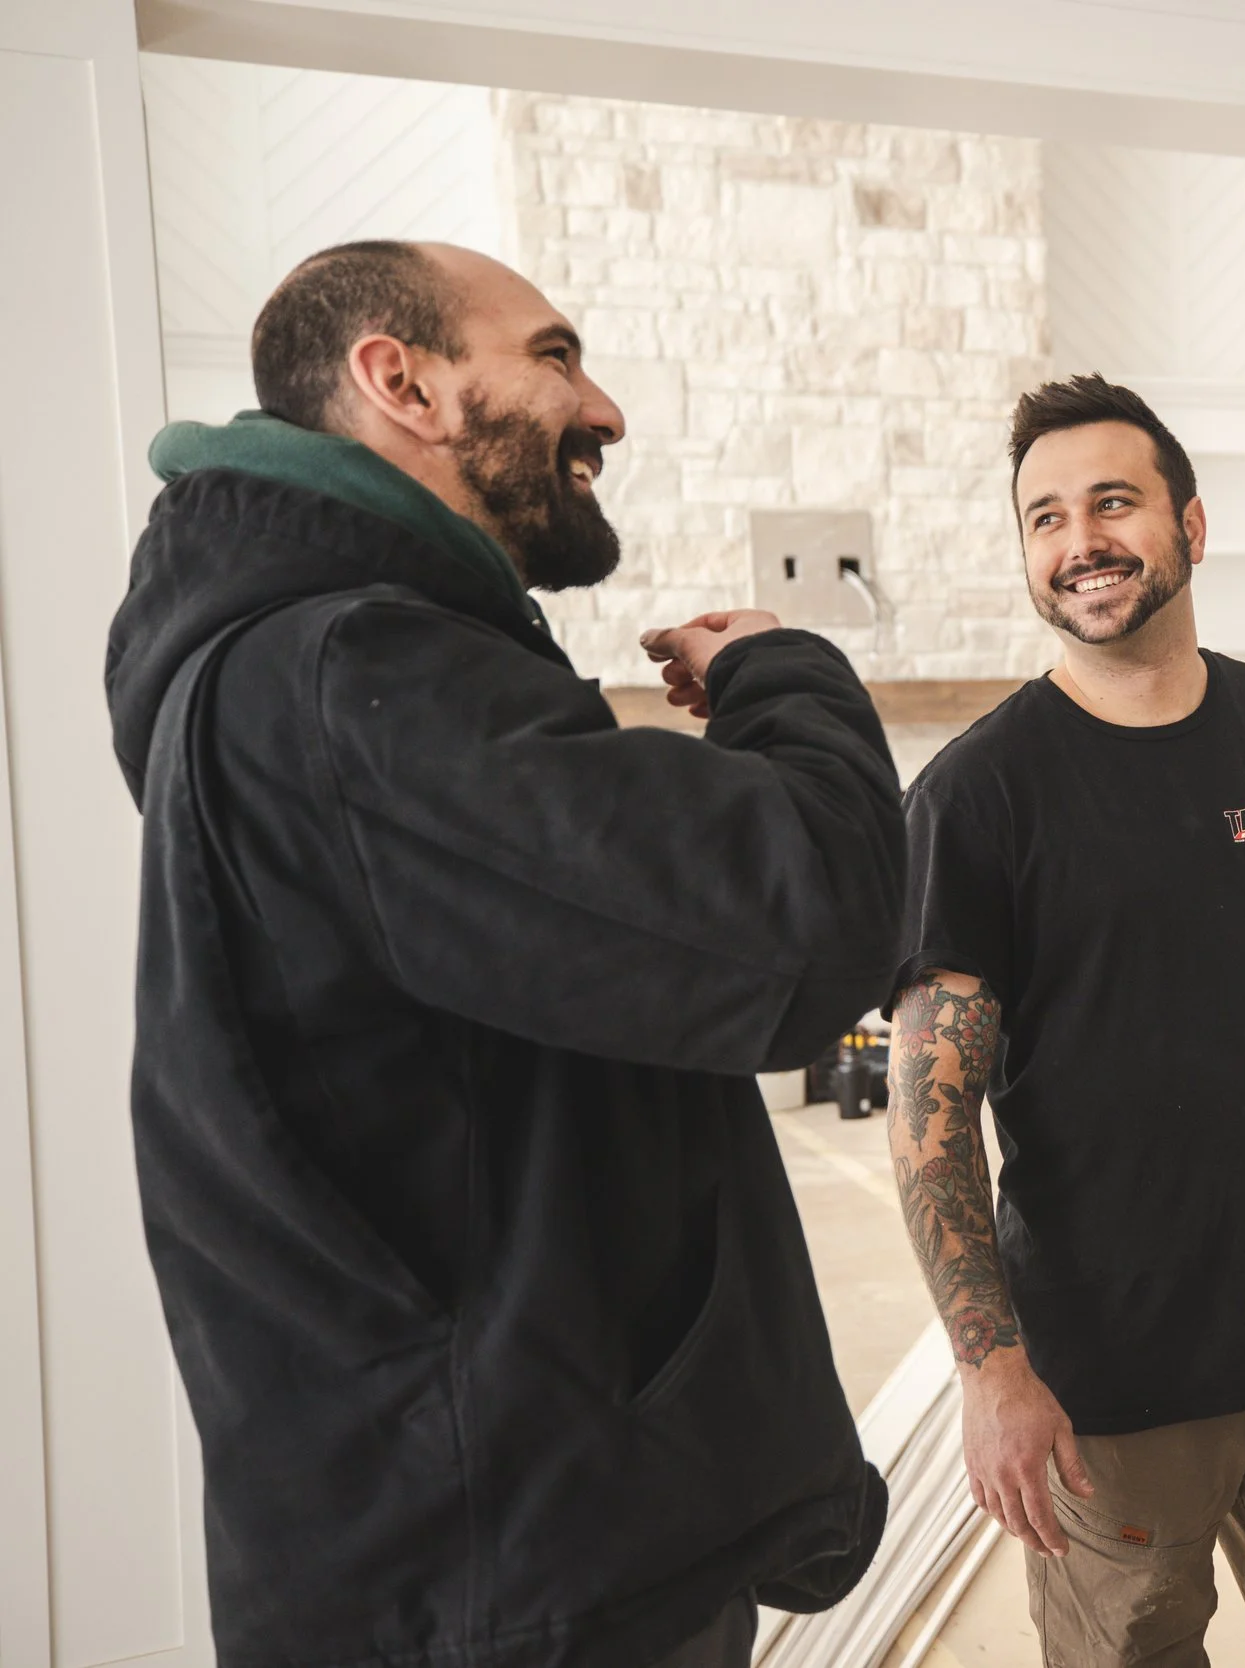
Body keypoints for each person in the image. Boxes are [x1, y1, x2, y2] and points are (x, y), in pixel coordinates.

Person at [103, 241, 904, 1668]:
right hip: (512, 1588)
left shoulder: (318, 670)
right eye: (553, 355)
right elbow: (805, 922)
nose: (601, 408)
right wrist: (790, 678)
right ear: (398, 380)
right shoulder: (354, 678)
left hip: (505, 1550)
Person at [886, 374, 1245, 1665]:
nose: (1079, 539)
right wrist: (992, 1376)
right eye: (1044, 517)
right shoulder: (977, 796)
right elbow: (931, 1123)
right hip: (1109, 1386)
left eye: (1112, 502)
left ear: (1190, 528)